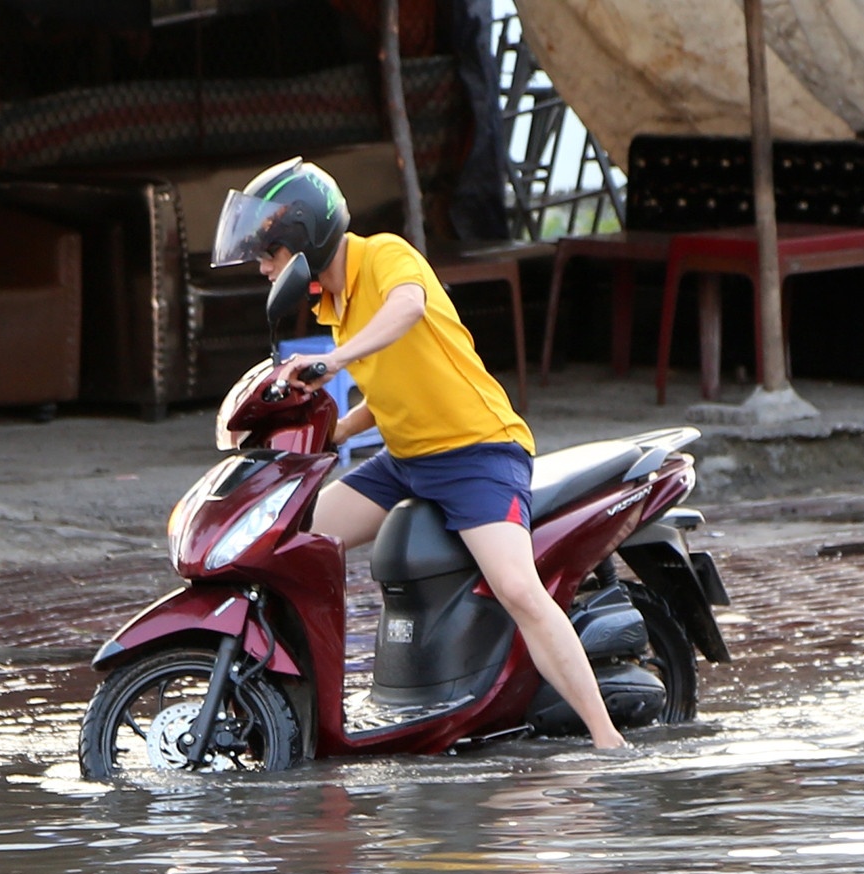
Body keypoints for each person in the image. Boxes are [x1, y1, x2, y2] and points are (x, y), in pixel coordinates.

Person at [212, 158, 627, 751]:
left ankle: (607, 741)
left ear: (304, 241)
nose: (262, 268)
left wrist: (331, 364)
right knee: (288, 540)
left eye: (268, 254)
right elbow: (389, 394)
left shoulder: (383, 256)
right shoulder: (334, 303)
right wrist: (327, 434)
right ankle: (286, 714)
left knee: (518, 589)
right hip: (406, 459)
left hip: (478, 451)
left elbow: (406, 312)